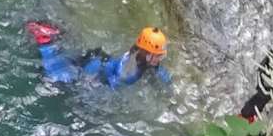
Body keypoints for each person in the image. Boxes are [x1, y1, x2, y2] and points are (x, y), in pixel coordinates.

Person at [24, 22, 171, 88]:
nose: (159, 59)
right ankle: (45, 41)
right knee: (57, 79)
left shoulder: (142, 58)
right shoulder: (127, 72)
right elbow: (110, 85)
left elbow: (157, 70)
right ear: (146, 54)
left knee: (73, 62)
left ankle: (56, 36)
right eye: (157, 55)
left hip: (100, 60)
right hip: (95, 69)